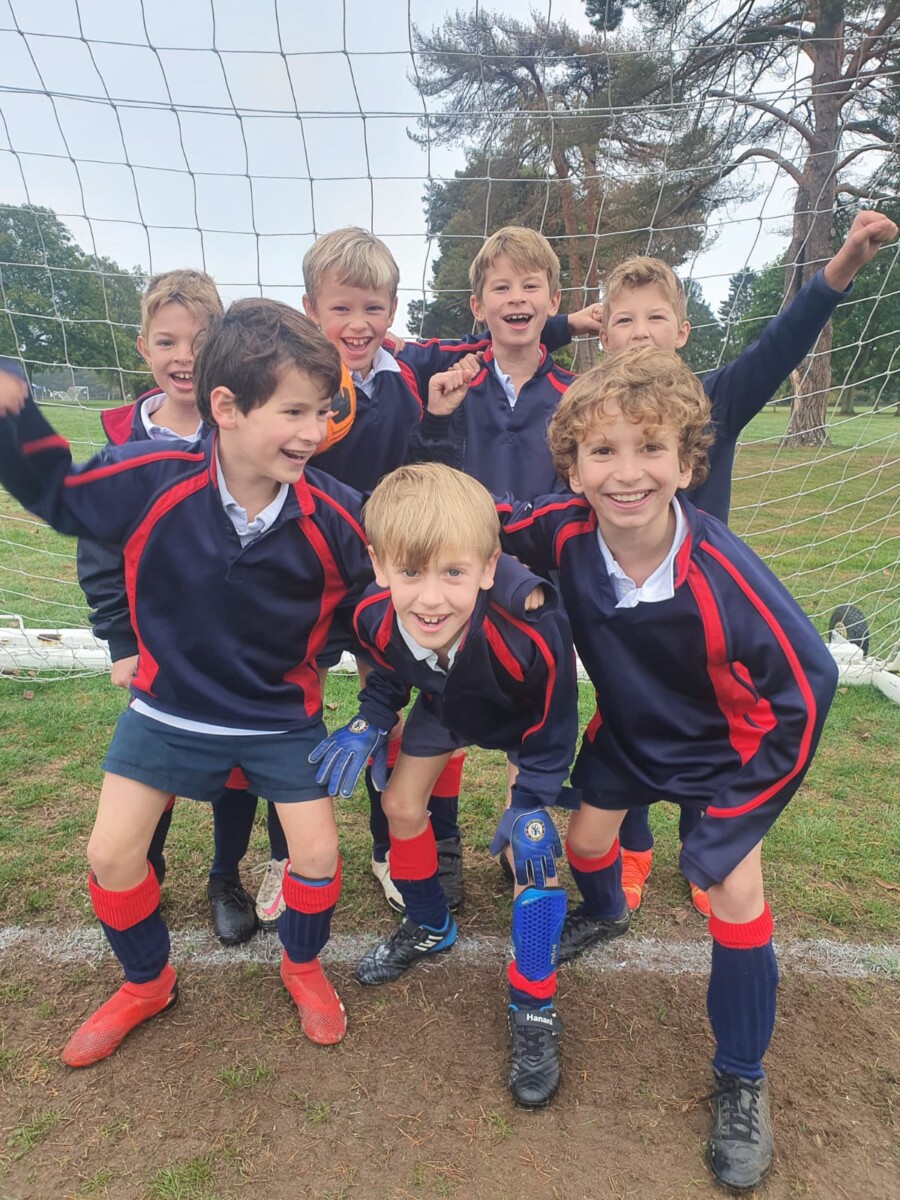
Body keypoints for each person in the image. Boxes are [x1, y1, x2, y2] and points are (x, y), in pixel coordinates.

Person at [493, 347, 838, 1189]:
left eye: (651, 448)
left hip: (722, 754)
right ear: (572, 468)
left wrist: (734, 822)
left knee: (735, 895)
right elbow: (475, 526)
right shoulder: (562, 531)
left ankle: (742, 1079)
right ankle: (609, 912)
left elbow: (810, 685)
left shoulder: (724, 572)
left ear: (686, 465)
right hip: (627, 734)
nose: (626, 472)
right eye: (602, 451)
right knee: (582, 847)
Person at [0, 299, 373, 1064]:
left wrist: (374, 701)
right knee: (112, 854)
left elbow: (398, 582)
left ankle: (302, 967)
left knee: (315, 855)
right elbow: (60, 496)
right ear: (226, 407)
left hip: (279, 718)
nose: (314, 431)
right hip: (168, 710)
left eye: (323, 410)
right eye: (294, 411)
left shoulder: (341, 516)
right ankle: (147, 982)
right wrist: (15, 409)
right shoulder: (152, 479)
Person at [598, 208, 898, 915]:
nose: (640, 332)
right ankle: (632, 847)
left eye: (654, 317)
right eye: (623, 320)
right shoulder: (591, 411)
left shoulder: (716, 399)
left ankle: (703, 843)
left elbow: (782, 341)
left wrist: (847, 260)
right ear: (602, 336)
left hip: (704, 618)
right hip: (623, 616)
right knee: (626, 718)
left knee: (711, 729)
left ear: (682, 332)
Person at [310, 462, 579, 1108]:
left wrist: (532, 797)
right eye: (411, 572)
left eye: (453, 573)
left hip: (520, 720)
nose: (430, 599)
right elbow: (391, 671)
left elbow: (555, 720)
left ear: (488, 569)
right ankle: (430, 923)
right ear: (380, 566)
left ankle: (534, 1001)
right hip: (447, 705)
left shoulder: (533, 629)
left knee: (533, 850)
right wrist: (371, 720)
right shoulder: (374, 614)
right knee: (400, 804)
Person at [74, 269, 259, 946]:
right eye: (167, 341)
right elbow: (99, 553)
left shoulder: (241, 432)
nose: (184, 356)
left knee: (237, 768)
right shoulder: (121, 449)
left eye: (200, 340)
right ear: (142, 348)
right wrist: (121, 641)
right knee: (154, 764)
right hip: (156, 651)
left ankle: (225, 876)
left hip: (236, 646)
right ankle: (143, 869)